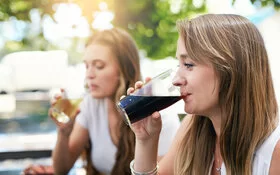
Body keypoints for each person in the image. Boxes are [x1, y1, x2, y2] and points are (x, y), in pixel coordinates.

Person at [128, 14, 280, 175]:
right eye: (179, 64)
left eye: (188, 65)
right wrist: (146, 141)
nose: (176, 80)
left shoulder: (274, 152)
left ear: (230, 69)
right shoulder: (193, 128)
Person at [50, 28, 180, 175]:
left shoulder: (160, 115)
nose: (89, 75)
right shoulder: (91, 104)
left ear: (124, 70)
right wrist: (63, 132)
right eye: (87, 66)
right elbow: (61, 170)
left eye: (99, 66)